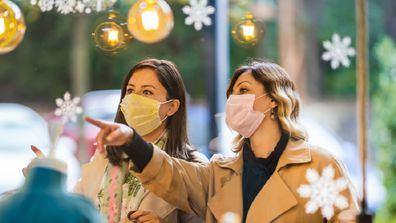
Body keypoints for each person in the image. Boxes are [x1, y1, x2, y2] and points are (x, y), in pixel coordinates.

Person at [86, 60, 359, 223]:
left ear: (274, 100)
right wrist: (133, 141)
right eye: (232, 93)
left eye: (244, 90)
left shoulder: (320, 166)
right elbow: (171, 173)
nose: (234, 100)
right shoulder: (220, 174)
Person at [74, 59, 208, 223]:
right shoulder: (105, 155)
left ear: (171, 107)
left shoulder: (192, 165)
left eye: (147, 92)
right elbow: (76, 207)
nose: (134, 99)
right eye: (130, 91)